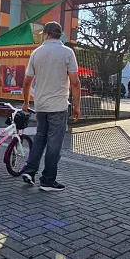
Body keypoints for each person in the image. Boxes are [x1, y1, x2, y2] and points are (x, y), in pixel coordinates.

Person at [20, 22, 80, 191]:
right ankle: (47, 180)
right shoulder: (68, 53)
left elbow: (26, 81)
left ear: (45, 34)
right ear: (59, 35)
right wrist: (77, 106)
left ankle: (30, 170)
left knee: (40, 138)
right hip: (58, 106)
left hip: (40, 105)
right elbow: (75, 82)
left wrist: (26, 102)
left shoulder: (36, 53)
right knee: (54, 143)